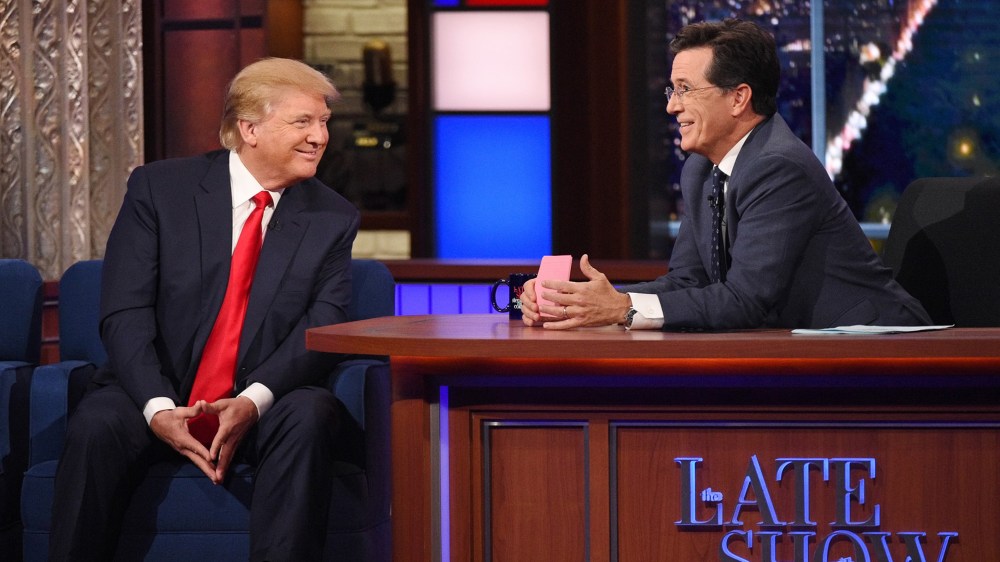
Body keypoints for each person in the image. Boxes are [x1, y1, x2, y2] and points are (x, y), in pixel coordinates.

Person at [49, 58, 360, 561]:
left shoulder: (333, 217)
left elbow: (323, 324)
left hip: (261, 399)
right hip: (157, 388)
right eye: (303, 122)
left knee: (309, 414)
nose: (319, 137)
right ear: (250, 128)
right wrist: (158, 407)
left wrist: (252, 402)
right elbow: (124, 311)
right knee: (96, 424)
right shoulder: (160, 189)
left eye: (324, 122)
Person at [520, 19, 929, 331]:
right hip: (802, 346)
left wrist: (622, 309)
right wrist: (583, 302)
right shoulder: (701, 169)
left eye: (685, 89)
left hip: (878, 344)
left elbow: (745, 299)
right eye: (672, 90)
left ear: (738, 98)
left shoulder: (778, 167)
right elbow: (688, 281)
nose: (672, 107)